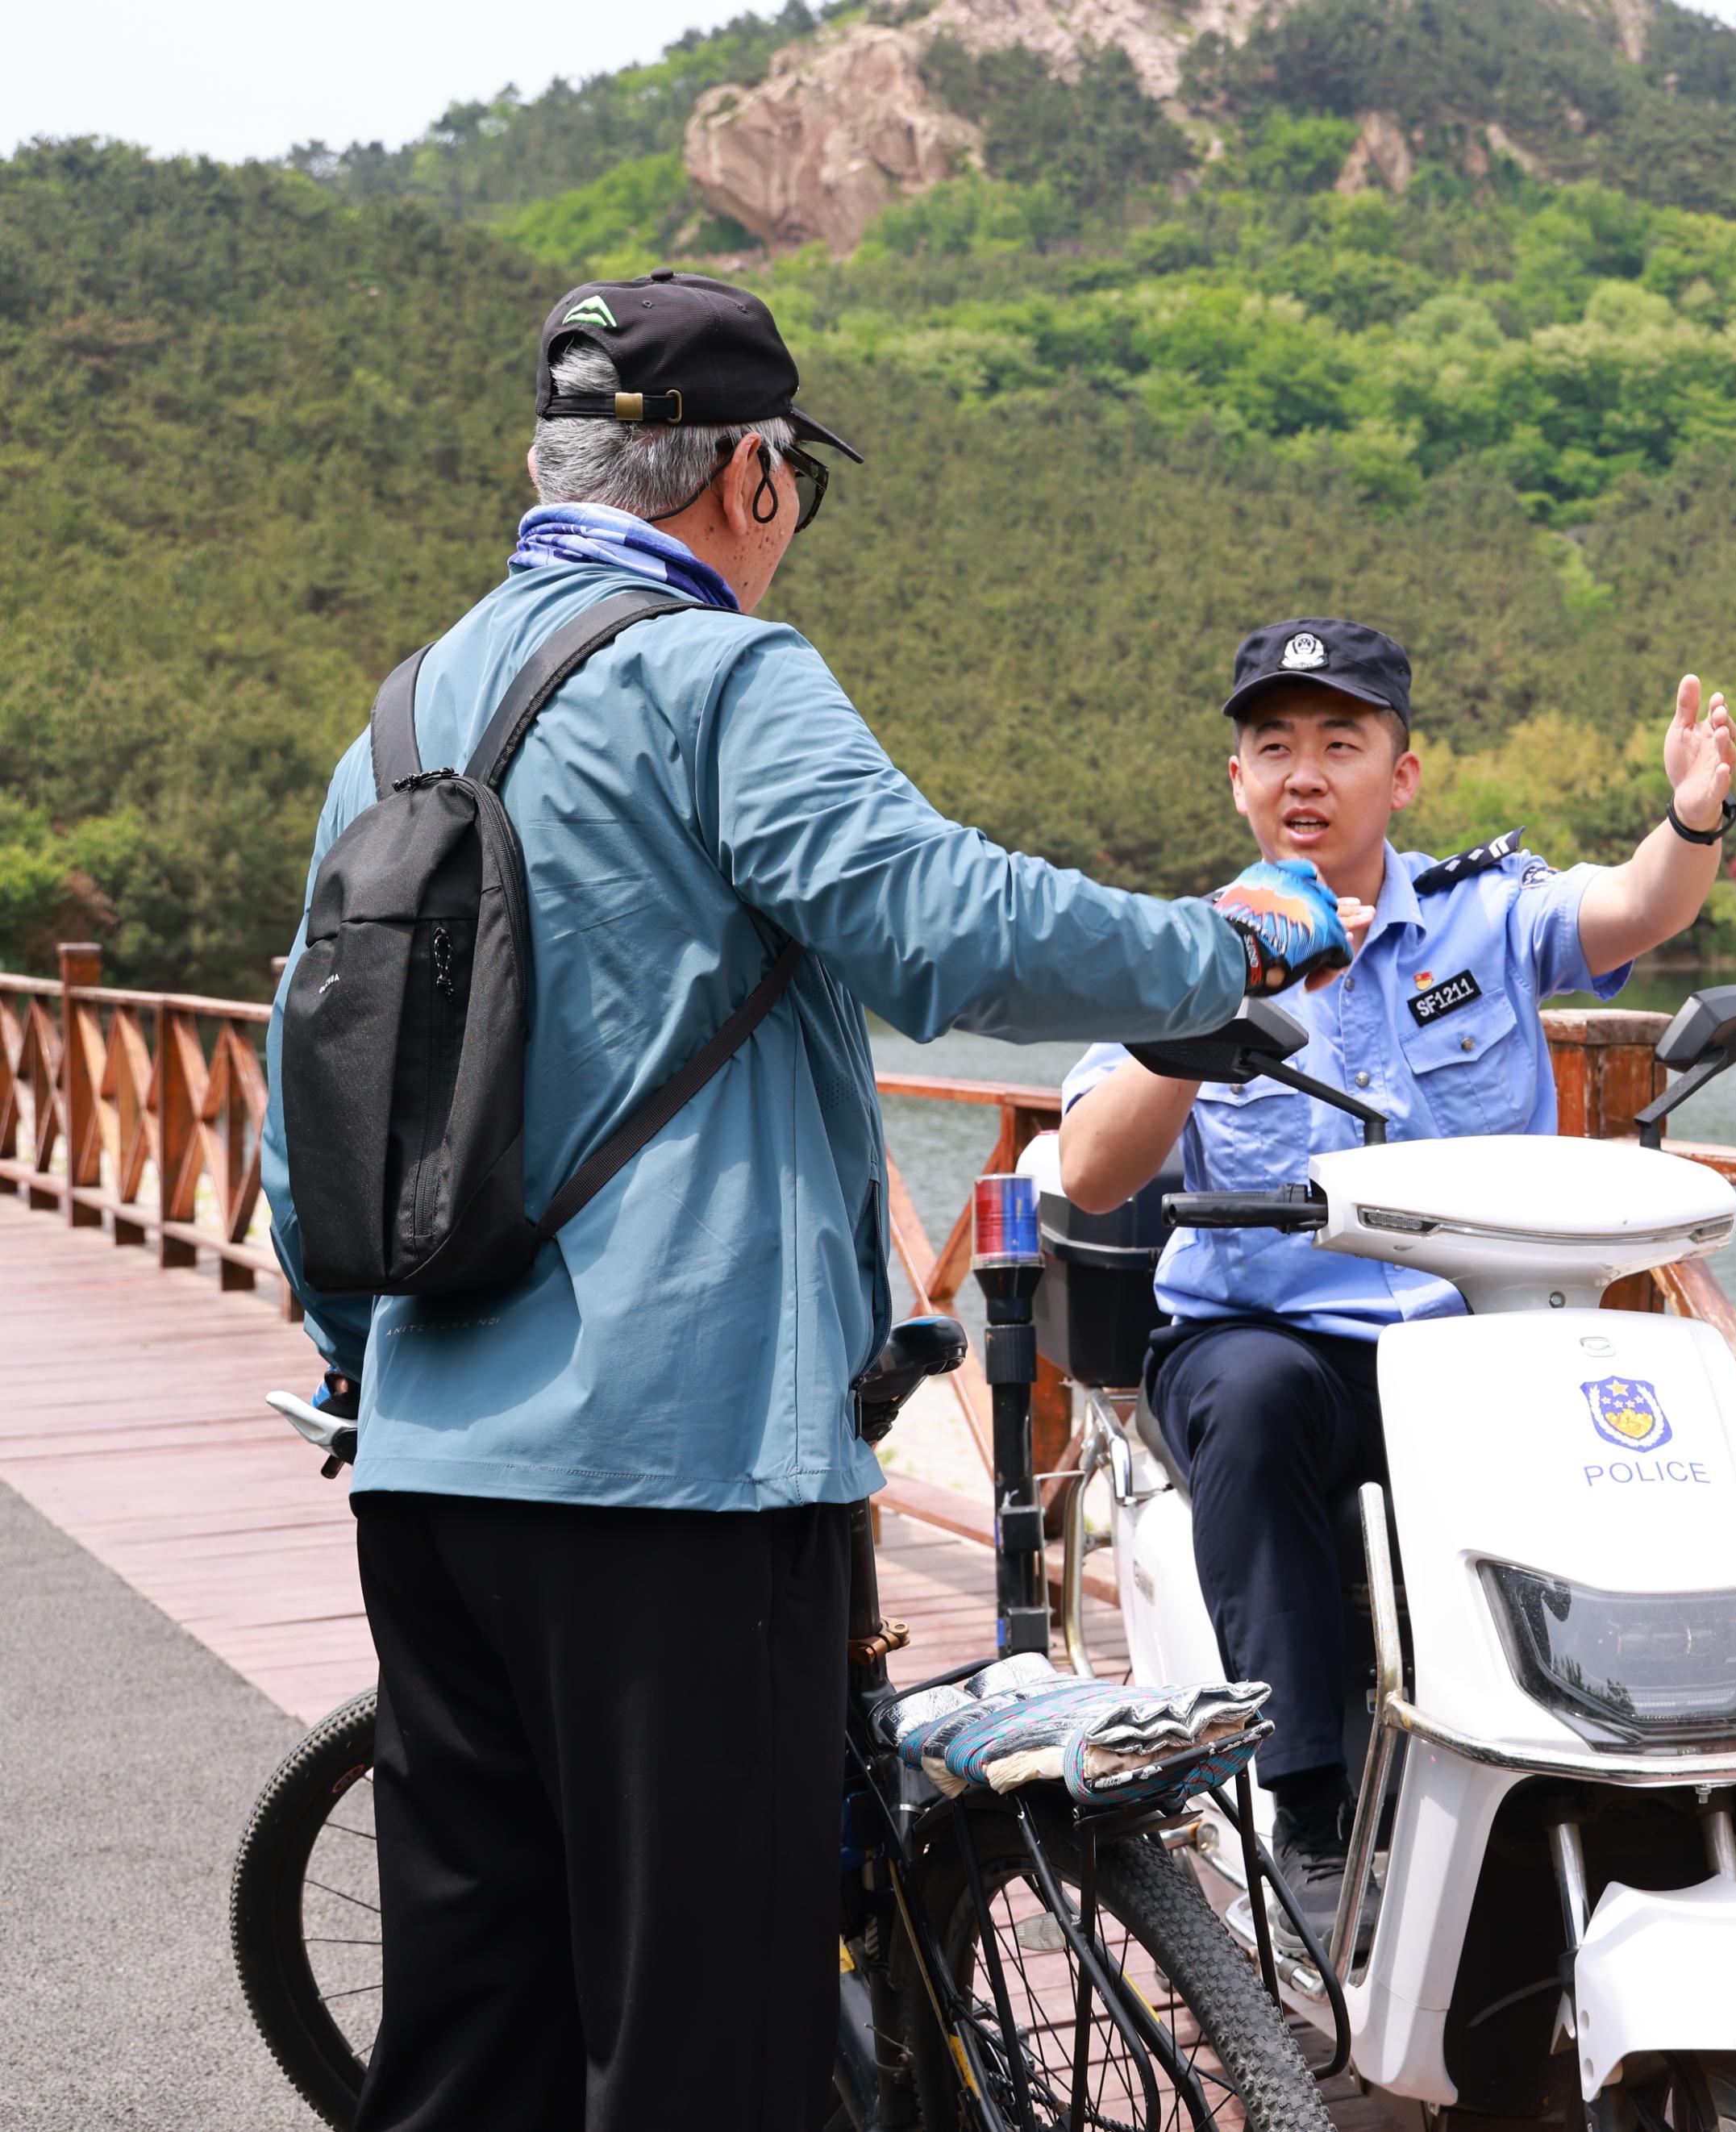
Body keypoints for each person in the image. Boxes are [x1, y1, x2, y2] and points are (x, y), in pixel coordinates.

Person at [260, 273, 1350, 2132]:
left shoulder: (402, 717)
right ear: (752, 477)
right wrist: (1222, 943)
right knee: (708, 2040)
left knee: (471, 2035)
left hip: (431, 1474)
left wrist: (381, 1369)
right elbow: (942, 926)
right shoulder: (716, 673)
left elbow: (318, 1099)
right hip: (677, 1474)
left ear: (548, 465)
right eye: (796, 485)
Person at [1051, 618, 1736, 2132]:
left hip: (1484, 1360)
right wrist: (1202, 1003)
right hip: (1272, 1342)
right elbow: (1094, 1169)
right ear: (1237, 781)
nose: (1306, 773)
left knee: (1663, 1579)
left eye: (1341, 742)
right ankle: (1306, 1809)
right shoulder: (1182, 946)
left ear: (1402, 772)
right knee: (1261, 1399)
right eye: (1275, 746)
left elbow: (1635, 907)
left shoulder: (1483, 915)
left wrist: (1693, 816)